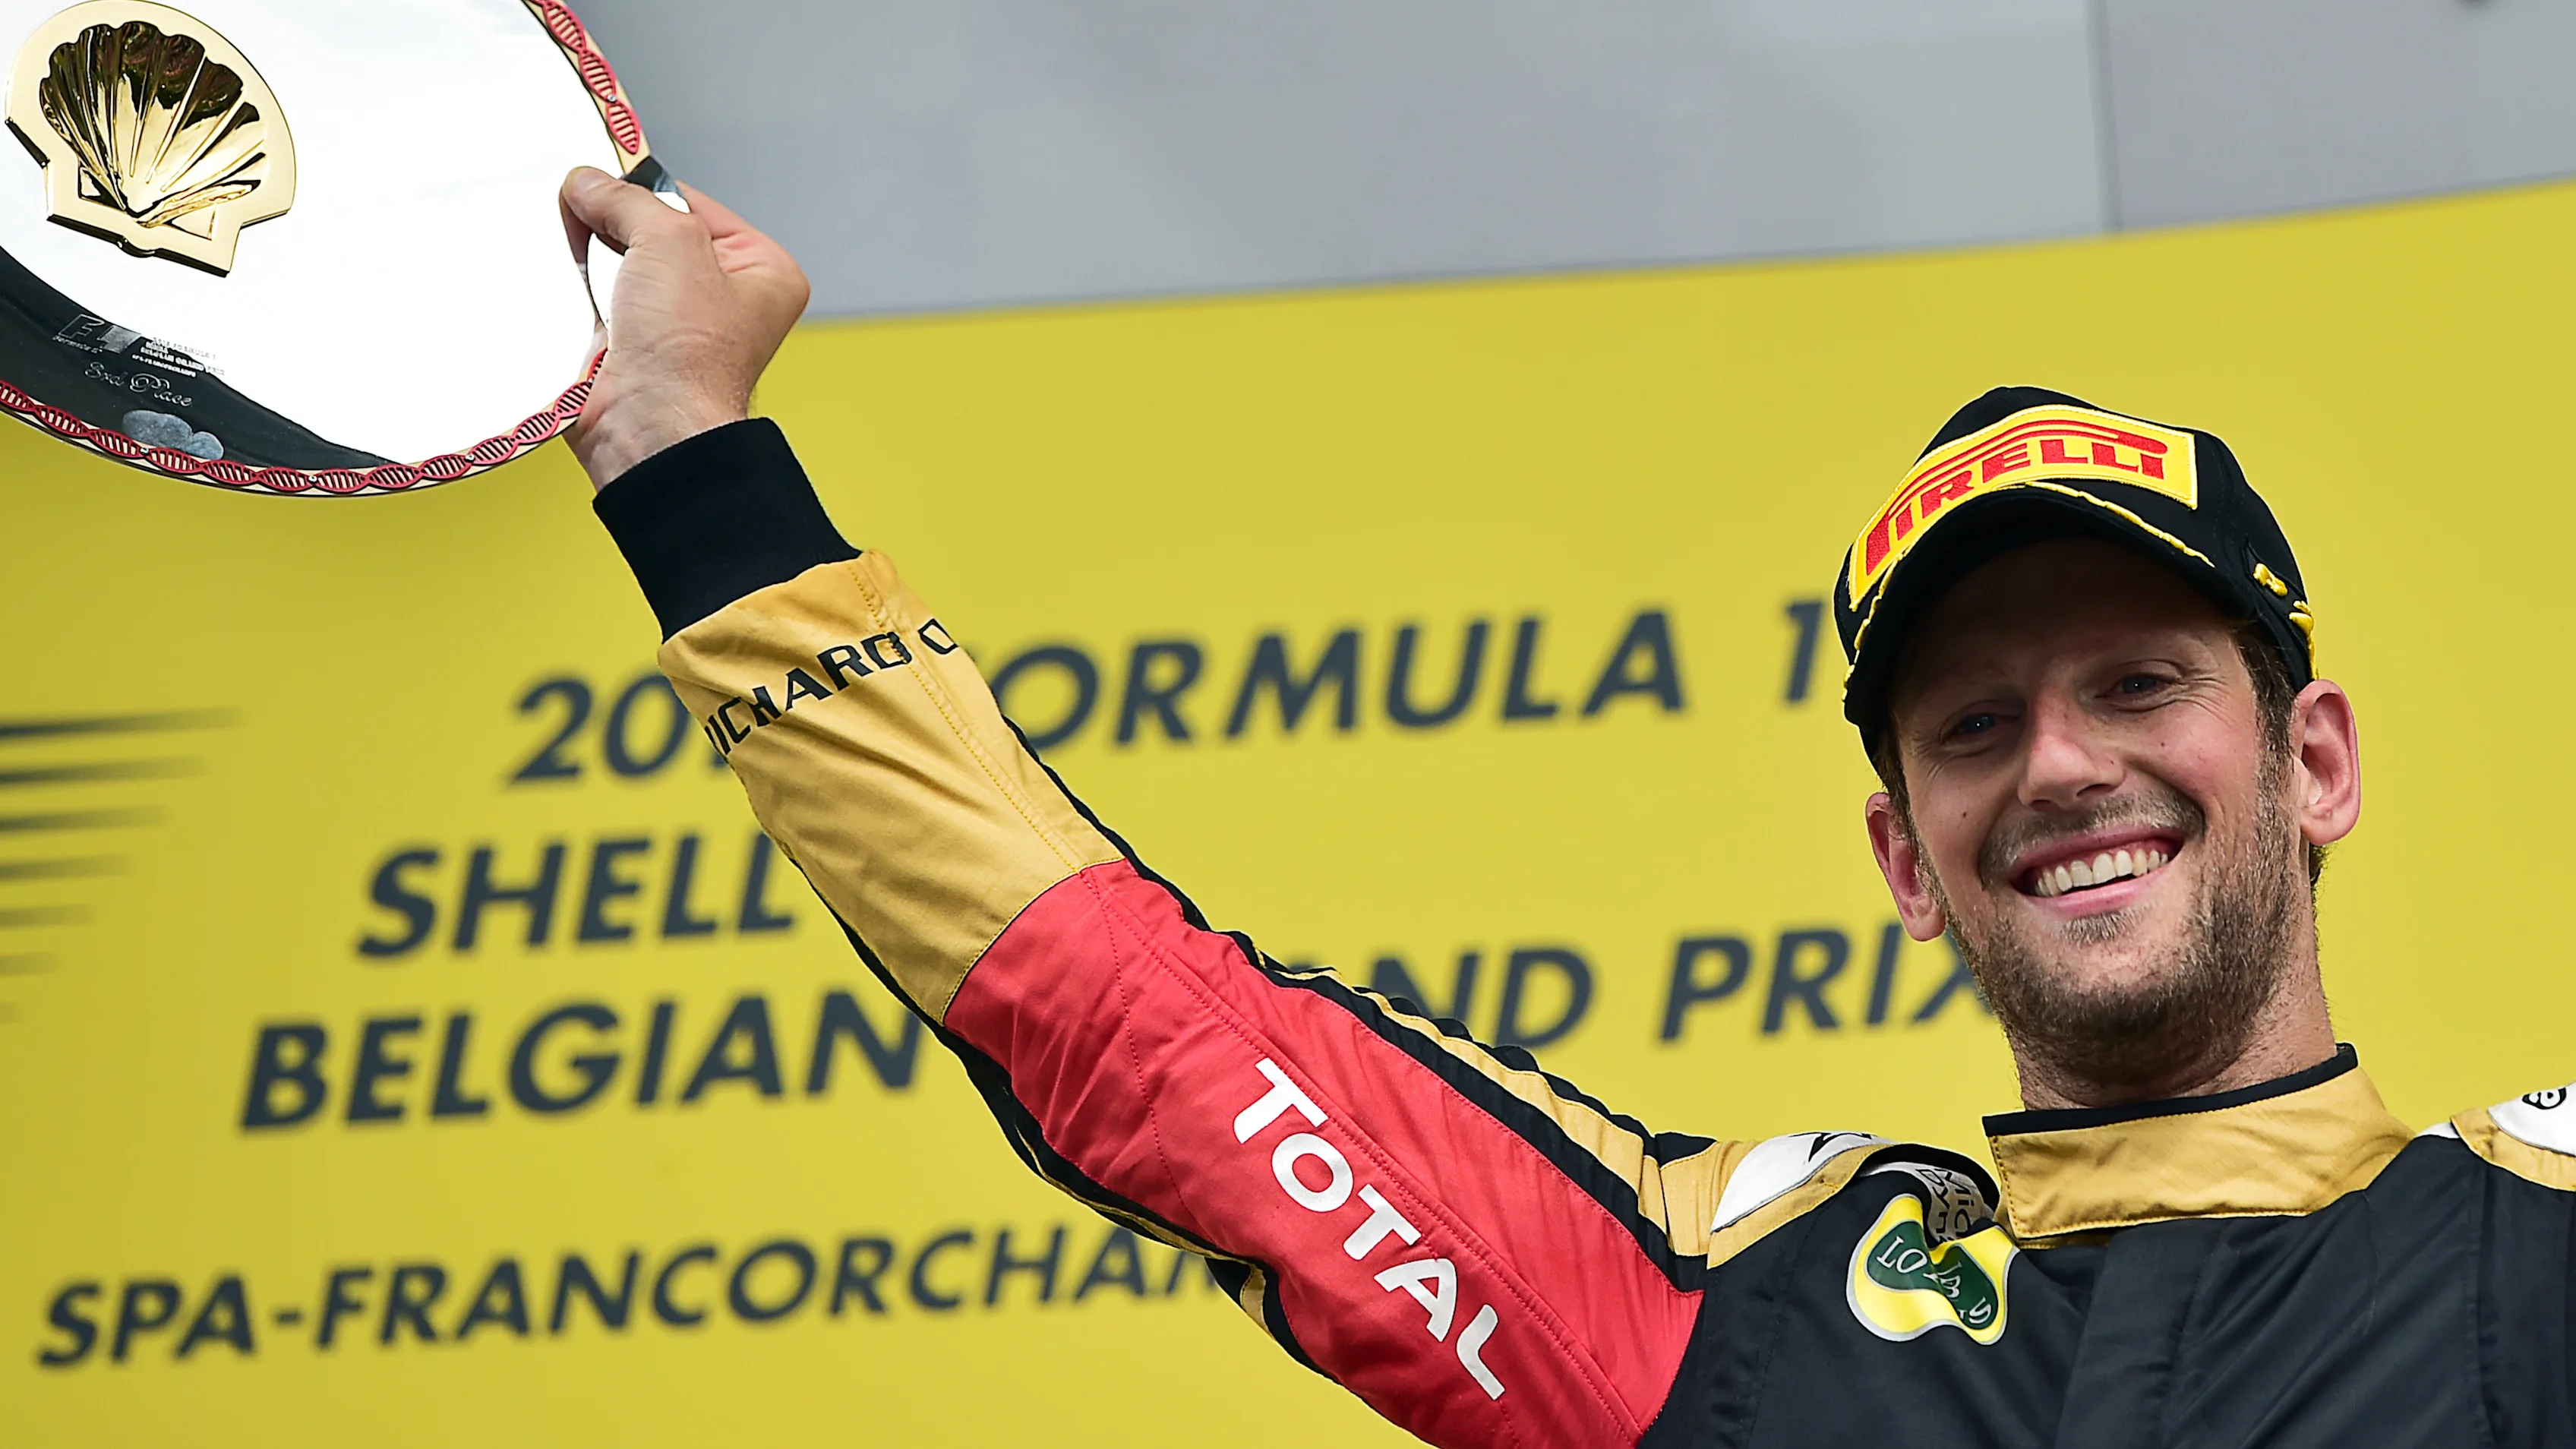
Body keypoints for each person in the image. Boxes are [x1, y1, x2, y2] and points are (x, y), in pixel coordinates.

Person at [555, 167, 2576, 1447]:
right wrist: (690, 454)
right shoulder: (1730, 1308)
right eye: (1973, 724)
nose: (2057, 763)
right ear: (1905, 859)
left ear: (2314, 761)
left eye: (2139, 682)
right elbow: (1147, 1032)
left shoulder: (2534, 1244)